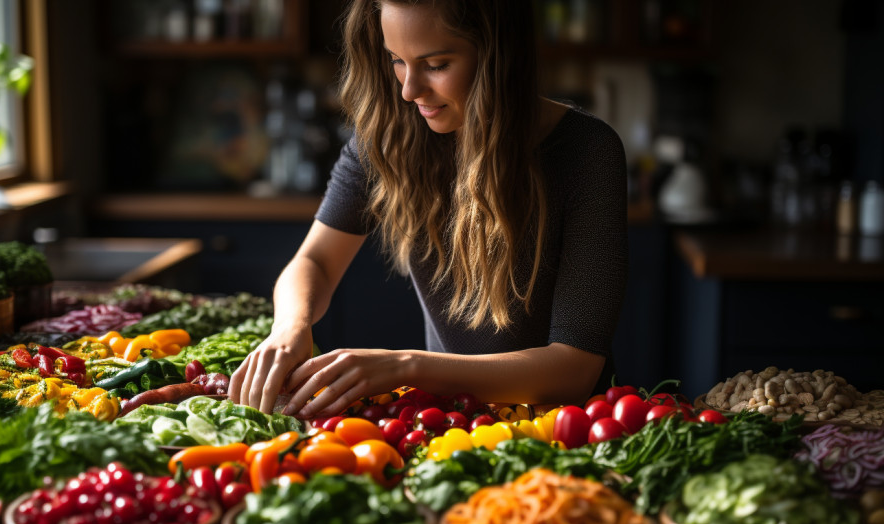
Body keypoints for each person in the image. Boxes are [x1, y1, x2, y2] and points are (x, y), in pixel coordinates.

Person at [229, 0, 628, 418]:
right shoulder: (389, 138)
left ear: (499, 57)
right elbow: (316, 262)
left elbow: (575, 368)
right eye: (397, 60)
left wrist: (406, 367)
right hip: (452, 424)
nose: (409, 90)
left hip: (563, 431)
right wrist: (290, 326)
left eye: (436, 65)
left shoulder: (587, 151)